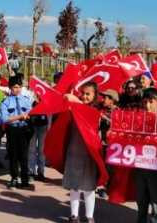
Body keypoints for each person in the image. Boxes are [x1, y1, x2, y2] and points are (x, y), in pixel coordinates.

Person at [63, 82, 102, 223]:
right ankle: (74, 215)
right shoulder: (73, 108)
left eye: (88, 94)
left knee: (88, 187)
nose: (85, 96)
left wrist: (76, 101)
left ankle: (89, 216)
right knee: (74, 186)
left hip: (89, 153)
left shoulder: (96, 110)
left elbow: (89, 117)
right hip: (74, 150)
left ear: (94, 95)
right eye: (83, 93)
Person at [134, 87, 157, 223]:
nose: (147, 105)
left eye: (151, 101)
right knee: (141, 201)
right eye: (145, 102)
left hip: (156, 169)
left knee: (156, 202)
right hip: (139, 167)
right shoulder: (136, 120)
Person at [0, 74, 34, 189]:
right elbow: (5, 118)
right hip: (12, 130)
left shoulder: (26, 100)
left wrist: (28, 116)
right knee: (13, 155)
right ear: (10, 88)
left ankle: (24, 179)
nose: (17, 89)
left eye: (19, 87)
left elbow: (30, 113)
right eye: (14, 87)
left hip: (24, 130)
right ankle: (14, 177)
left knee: (24, 155)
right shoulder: (6, 102)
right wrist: (19, 116)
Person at [29, 92, 50, 182]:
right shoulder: (32, 101)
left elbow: (50, 116)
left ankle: (41, 172)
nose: (40, 95)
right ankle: (31, 172)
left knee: (42, 151)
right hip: (33, 127)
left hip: (43, 128)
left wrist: (49, 128)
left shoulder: (48, 103)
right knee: (31, 150)